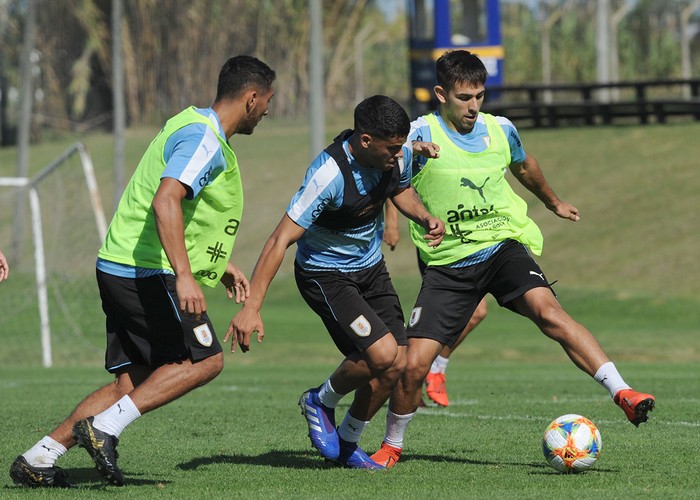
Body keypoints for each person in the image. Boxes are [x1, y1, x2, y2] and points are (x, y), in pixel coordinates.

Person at [370, 50, 655, 469]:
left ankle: (623, 392)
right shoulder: (417, 133)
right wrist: (419, 216)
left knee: (550, 313)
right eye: (464, 97)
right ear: (440, 94)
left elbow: (525, 166)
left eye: (479, 96)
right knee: (413, 366)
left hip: (503, 245)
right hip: (449, 261)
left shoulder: (501, 129)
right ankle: (391, 446)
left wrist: (553, 202)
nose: (473, 106)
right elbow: (397, 183)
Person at [9, 55, 276, 488]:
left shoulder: (188, 123)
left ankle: (40, 457)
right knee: (204, 361)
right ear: (250, 98)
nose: (268, 110)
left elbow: (183, 209)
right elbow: (166, 200)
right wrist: (186, 276)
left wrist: (216, 264)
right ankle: (104, 429)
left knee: (133, 382)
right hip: (146, 271)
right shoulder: (203, 140)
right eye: (267, 100)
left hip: (122, 265)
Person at [226, 95, 445, 469]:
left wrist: (424, 217)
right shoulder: (328, 174)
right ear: (365, 141)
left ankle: (346, 444)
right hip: (325, 275)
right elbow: (281, 239)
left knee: (398, 364)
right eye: (392, 148)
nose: (398, 154)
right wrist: (252, 308)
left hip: (371, 268)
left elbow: (400, 190)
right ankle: (320, 400)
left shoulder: (397, 153)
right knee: (381, 354)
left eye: (401, 146)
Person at [384, 200, 488, 407]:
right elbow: (398, 179)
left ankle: (433, 367)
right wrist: (392, 223)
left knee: (478, 311)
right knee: (446, 315)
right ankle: (410, 378)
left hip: (468, 240)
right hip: (436, 240)